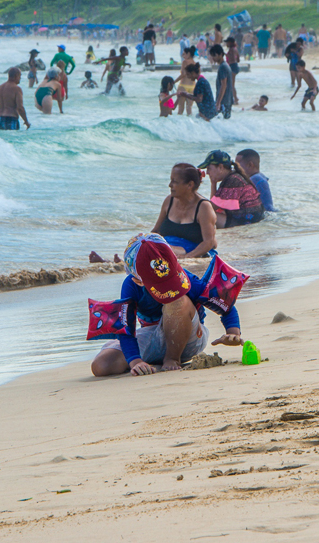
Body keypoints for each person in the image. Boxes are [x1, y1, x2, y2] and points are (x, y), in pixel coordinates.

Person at [89, 233, 243, 377]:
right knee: (101, 366)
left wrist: (233, 331)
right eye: (160, 285)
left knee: (177, 300)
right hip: (154, 336)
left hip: (190, 338)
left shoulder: (186, 277)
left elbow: (222, 302)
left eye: (171, 278)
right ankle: (151, 362)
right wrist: (135, 360)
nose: (168, 288)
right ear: (138, 280)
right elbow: (126, 326)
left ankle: (172, 359)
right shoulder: (131, 286)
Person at [150, 163, 217, 257]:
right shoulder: (169, 201)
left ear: (190, 185)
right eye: (170, 181)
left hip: (193, 252)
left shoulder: (203, 207)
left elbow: (209, 243)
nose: (170, 185)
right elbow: (156, 231)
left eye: (175, 182)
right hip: (169, 250)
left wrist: (186, 258)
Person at [199, 150, 265, 228]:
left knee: (204, 214)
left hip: (246, 222)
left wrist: (193, 193)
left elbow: (210, 207)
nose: (207, 172)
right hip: (253, 219)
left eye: (209, 168)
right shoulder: (233, 177)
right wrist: (213, 183)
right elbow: (214, 204)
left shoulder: (232, 180)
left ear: (220, 167)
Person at [209, 44, 234, 119]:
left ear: (220, 54)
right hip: (227, 100)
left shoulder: (222, 67)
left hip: (224, 101)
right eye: (212, 56)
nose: (213, 58)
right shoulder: (225, 65)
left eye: (214, 55)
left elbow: (223, 85)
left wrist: (218, 102)